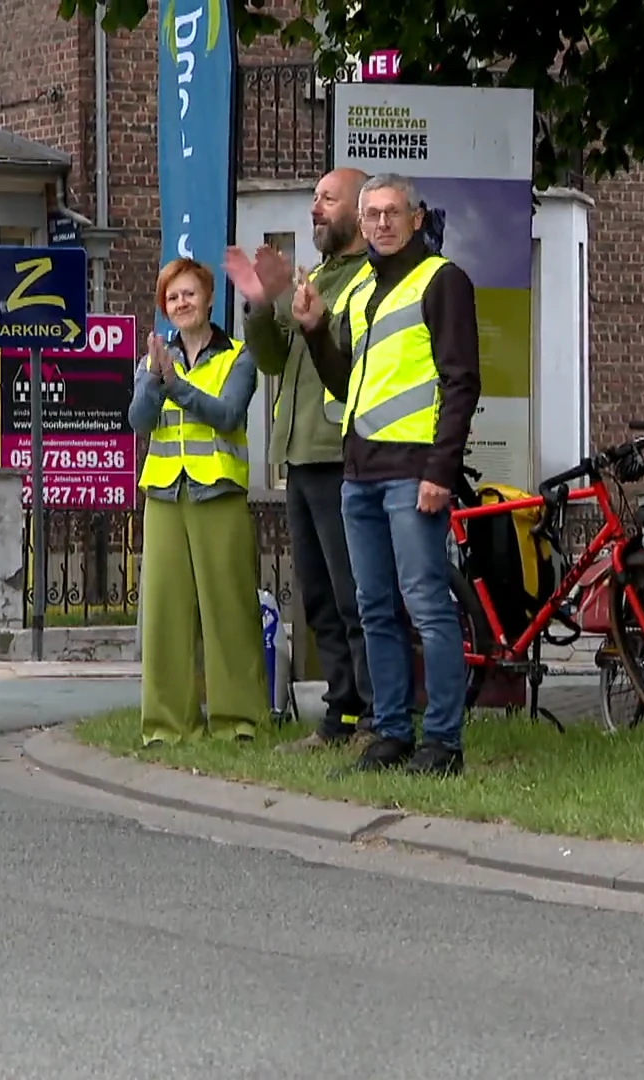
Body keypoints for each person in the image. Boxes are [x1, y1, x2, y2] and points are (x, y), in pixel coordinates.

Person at [290, 173, 483, 776]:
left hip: (412, 472)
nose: (380, 223)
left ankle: (443, 741)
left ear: (416, 217)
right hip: (359, 472)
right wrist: (318, 329)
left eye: (392, 212)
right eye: (371, 214)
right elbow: (347, 383)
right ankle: (392, 732)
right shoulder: (361, 290)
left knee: (425, 604)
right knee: (374, 607)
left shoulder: (442, 280)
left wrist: (440, 471)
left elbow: (461, 383)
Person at [225, 166, 376, 753]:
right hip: (299, 456)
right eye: (313, 198)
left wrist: (288, 294)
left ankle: (371, 716)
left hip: (341, 456)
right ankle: (339, 714)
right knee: (317, 595)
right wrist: (260, 305)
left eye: (326, 199)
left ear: (359, 213)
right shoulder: (322, 276)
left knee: (353, 592)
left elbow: (341, 347)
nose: (314, 208)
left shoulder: (367, 281)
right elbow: (270, 360)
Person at [128, 258, 271, 746]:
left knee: (228, 610)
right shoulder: (153, 358)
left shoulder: (238, 356)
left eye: (189, 294)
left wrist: (176, 386)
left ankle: (238, 722)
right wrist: (153, 382)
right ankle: (167, 726)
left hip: (218, 493)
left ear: (210, 299)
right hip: (166, 493)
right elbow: (140, 422)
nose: (181, 303)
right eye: (172, 298)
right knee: (165, 613)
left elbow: (228, 413)